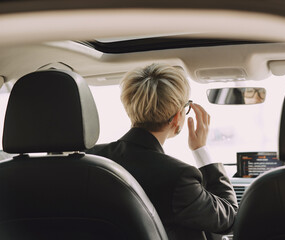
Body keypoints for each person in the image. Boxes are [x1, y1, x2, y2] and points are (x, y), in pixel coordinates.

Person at [86, 63, 238, 240]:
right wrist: (201, 149)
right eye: (185, 107)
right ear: (176, 118)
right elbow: (230, 218)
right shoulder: (179, 178)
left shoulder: (92, 161)